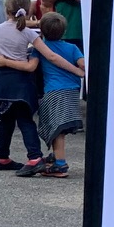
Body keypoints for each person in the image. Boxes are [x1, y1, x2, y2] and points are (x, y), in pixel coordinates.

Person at [0, 0, 45, 175]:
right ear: (27, 10)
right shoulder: (27, 33)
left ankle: (1, 157)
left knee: (6, 119)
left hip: (0, 79)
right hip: (20, 81)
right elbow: (45, 52)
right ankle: (35, 156)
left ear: (6, 9)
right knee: (25, 120)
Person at [32, 12, 84, 178]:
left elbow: (32, 66)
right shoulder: (72, 48)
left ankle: (60, 165)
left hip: (53, 92)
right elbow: (83, 64)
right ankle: (56, 157)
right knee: (60, 128)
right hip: (72, 91)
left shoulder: (41, 49)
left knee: (57, 131)